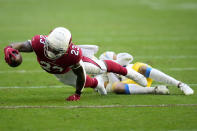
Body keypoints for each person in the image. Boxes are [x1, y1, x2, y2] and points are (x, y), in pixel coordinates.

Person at [4, 27, 148, 101]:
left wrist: (78, 94)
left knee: (100, 68)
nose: (52, 52)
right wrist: (9, 50)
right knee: (84, 82)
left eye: (56, 50)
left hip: (69, 65)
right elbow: (18, 46)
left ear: (66, 47)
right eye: (51, 47)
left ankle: (130, 73)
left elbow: (80, 74)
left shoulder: (72, 55)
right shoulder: (39, 42)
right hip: (59, 72)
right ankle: (97, 84)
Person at [99, 51, 194, 95]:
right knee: (117, 87)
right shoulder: (101, 75)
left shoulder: (123, 62)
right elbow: (109, 87)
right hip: (129, 84)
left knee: (143, 68)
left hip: (136, 74)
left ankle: (180, 84)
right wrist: (109, 71)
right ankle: (155, 90)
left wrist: (116, 63)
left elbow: (128, 57)